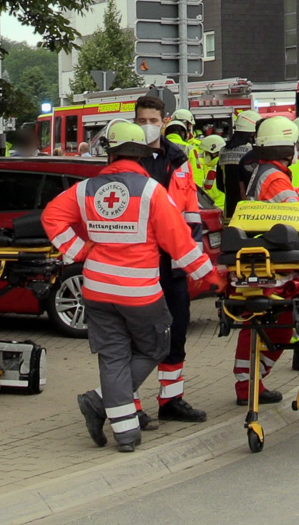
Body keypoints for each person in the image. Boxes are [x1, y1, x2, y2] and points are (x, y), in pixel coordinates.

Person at [43, 121, 224, 452]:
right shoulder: (152, 191)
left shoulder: (86, 189)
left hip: (96, 289)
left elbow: (52, 216)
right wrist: (208, 274)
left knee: (113, 357)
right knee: (156, 346)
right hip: (139, 292)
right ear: (142, 155)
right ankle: (99, 402)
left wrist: (79, 250)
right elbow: (179, 242)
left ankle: (125, 435)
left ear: (110, 153)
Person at [232, 116, 299, 406]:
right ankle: (250, 383)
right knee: (282, 321)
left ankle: (249, 383)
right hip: (273, 264)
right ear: (286, 147)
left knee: (260, 323)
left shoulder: (266, 172)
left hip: (260, 260)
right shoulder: (274, 177)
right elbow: (294, 215)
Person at [133, 95, 209, 424]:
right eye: (142, 121)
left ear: (164, 122)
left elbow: (190, 210)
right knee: (138, 334)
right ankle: (130, 404)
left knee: (176, 332)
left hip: (173, 260)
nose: (148, 126)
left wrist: (192, 258)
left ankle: (171, 400)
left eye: (153, 120)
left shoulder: (178, 158)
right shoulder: (128, 156)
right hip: (140, 260)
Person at [218, 109, 263, 219]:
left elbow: (220, 184)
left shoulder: (223, 151)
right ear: (253, 134)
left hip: (229, 212)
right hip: (250, 214)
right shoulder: (252, 152)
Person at [195, 134, 226, 210]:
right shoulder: (227, 166)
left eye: (206, 153)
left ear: (214, 153)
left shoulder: (213, 172)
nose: (205, 156)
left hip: (216, 208)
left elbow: (209, 195)